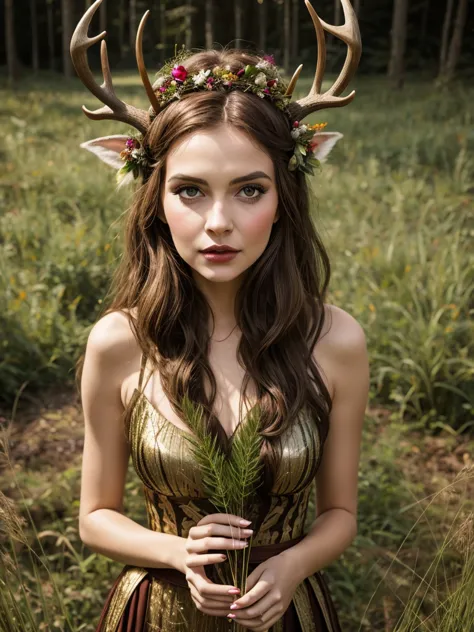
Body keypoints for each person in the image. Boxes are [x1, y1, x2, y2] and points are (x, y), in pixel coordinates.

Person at [73, 0, 369, 630]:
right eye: (190, 190)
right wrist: (177, 552)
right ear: (154, 199)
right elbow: (95, 516)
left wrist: (290, 567)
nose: (218, 223)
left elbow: (340, 514)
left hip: (286, 614)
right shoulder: (120, 342)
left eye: (249, 190)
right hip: (158, 613)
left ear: (284, 197)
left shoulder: (335, 340)